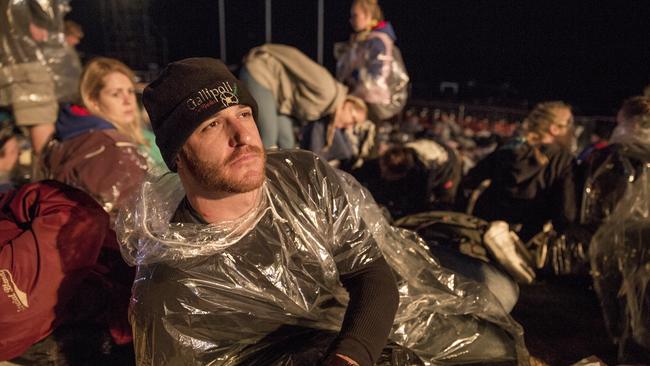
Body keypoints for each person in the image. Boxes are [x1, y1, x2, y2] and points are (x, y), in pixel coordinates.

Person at [118, 57, 528, 366]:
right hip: (287, 353)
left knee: (499, 341)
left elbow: (370, 273)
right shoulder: (169, 290)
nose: (243, 136)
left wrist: (351, 356)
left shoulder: (301, 176)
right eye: (211, 126)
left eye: (243, 114)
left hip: (345, 319)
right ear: (177, 156)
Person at [0, 180, 134, 364]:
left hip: (103, 325)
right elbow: (85, 219)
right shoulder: (15, 281)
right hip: (130, 292)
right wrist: (11, 203)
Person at [572, 96, 650, 362]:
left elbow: (592, 207)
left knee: (624, 298)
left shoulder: (612, 156)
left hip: (622, 238)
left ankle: (624, 344)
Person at [39, 57, 153, 214]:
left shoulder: (68, 133)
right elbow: (126, 217)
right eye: (116, 94)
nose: (128, 101)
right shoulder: (112, 146)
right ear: (93, 101)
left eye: (130, 91)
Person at [457, 101, 577, 242]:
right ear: (554, 129)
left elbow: (471, 179)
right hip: (524, 242)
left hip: (485, 232)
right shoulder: (563, 160)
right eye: (568, 124)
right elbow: (566, 213)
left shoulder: (510, 146)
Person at [240, 43, 366, 151]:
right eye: (353, 120)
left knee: (287, 144)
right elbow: (294, 57)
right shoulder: (326, 89)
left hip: (276, 98)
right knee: (268, 137)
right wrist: (260, 52)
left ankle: (284, 178)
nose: (349, 126)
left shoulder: (326, 109)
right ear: (348, 105)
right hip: (261, 74)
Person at [0, 0, 61, 160]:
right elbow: (45, 18)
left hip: (7, 61)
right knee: (44, 146)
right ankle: (47, 182)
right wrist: (43, 23)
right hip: (27, 63)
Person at [336, 0, 409, 122]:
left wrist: (353, 83)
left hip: (376, 104)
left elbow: (377, 79)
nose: (351, 20)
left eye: (355, 16)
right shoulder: (364, 41)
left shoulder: (378, 42)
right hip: (368, 99)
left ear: (368, 15)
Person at [352, 139, 461, 220]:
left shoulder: (422, 177)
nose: (383, 175)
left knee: (440, 205)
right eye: (382, 170)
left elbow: (419, 206)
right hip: (428, 148)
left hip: (448, 167)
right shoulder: (394, 156)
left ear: (402, 174)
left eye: (387, 174)